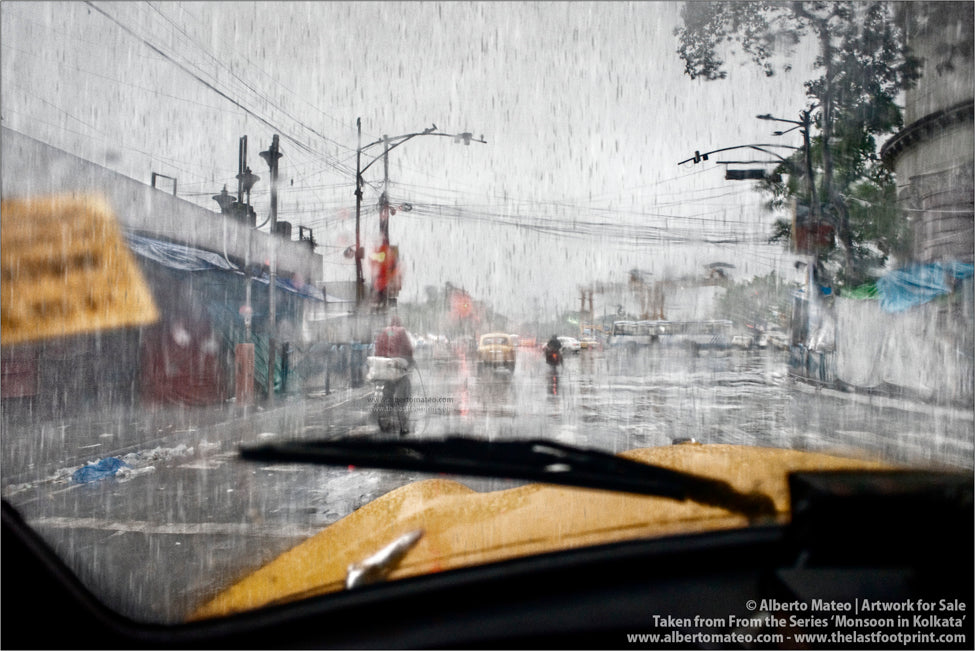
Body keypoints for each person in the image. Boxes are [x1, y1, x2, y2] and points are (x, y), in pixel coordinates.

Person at [372, 315, 414, 434]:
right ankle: (403, 427)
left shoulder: (384, 332)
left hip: (386, 369)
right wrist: (409, 361)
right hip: (399, 369)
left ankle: (384, 419)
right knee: (401, 399)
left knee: (387, 395)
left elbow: (378, 348)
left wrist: (382, 361)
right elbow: (409, 349)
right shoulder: (402, 331)